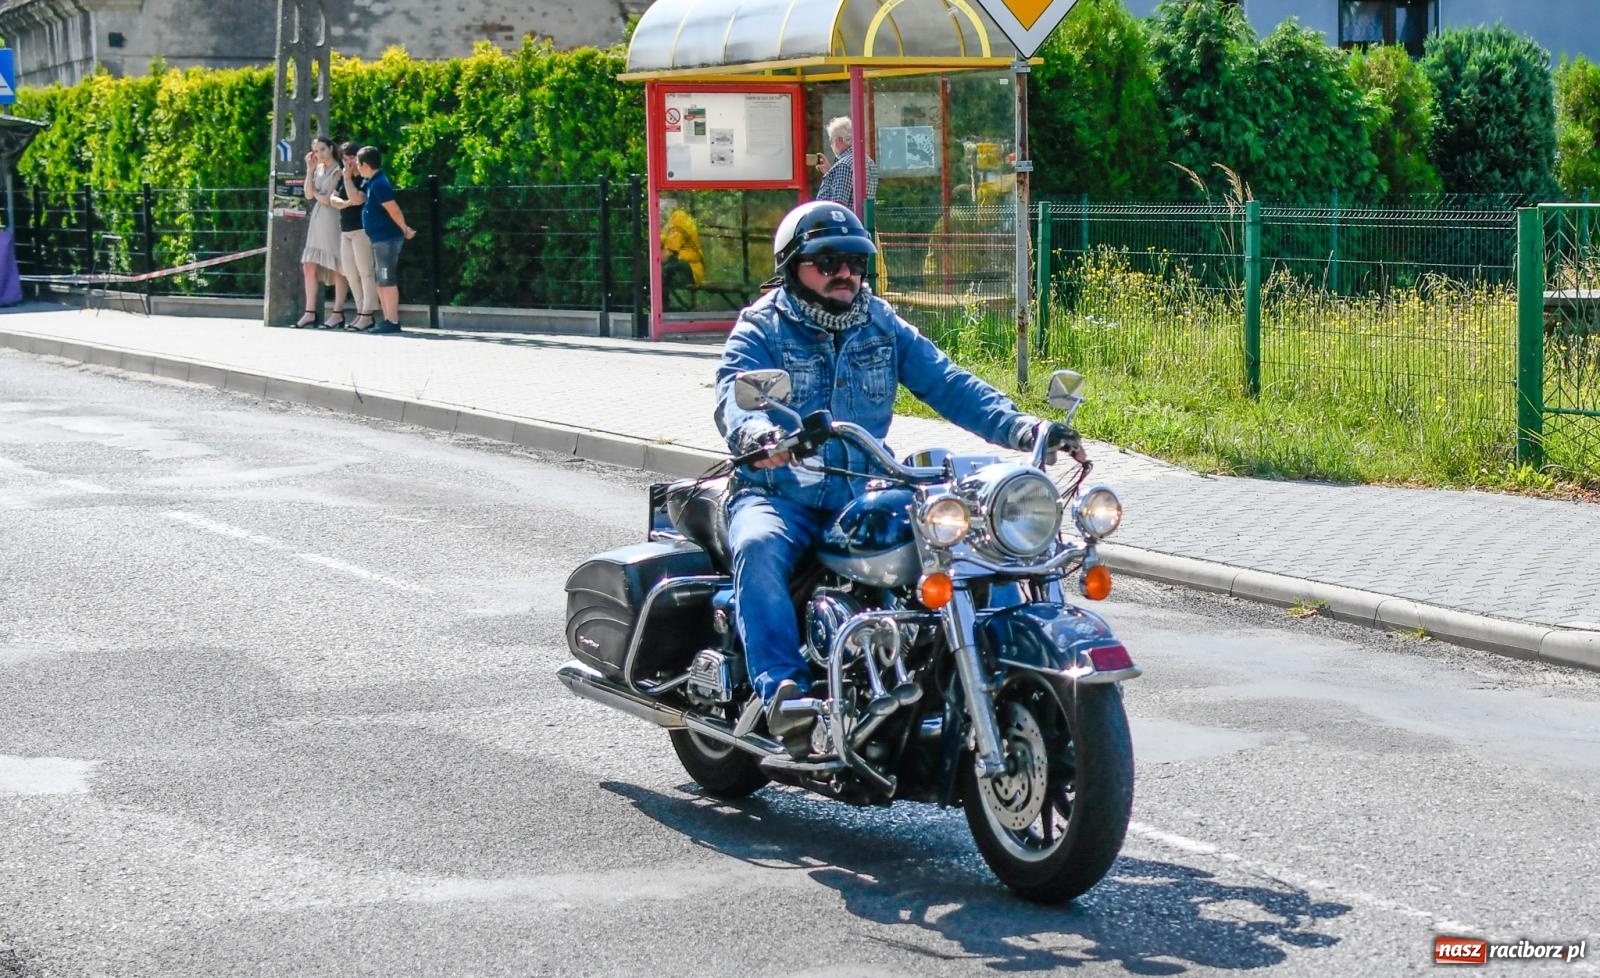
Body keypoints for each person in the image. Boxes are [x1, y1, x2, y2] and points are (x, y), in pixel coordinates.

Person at [714, 201, 1080, 755]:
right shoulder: (762, 326)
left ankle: (986, 664)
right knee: (760, 546)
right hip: (779, 492)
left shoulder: (880, 324)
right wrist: (757, 438)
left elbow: (949, 383)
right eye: (828, 261)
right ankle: (781, 692)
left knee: (956, 545)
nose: (846, 274)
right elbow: (733, 392)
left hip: (862, 490)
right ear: (792, 265)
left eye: (857, 262)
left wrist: (1024, 428)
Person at [355, 145, 417, 334]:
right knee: (381, 280)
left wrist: (404, 228)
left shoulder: (380, 184)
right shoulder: (372, 182)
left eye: (358, 163)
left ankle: (392, 320)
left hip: (386, 238)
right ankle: (387, 318)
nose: (356, 167)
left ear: (365, 164)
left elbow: (394, 209)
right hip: (378, 238)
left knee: (386, 278)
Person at [292, 137, 350, 328]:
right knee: (309, 265)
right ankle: (309, 312)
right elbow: (308, 194)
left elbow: (327, 199)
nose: (320, 154)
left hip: (332, 219)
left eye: (323, 149)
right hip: (317, 220)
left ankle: (337, 312)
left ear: (331, 148)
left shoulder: (338, 170)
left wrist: (317, 195)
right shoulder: (318, 168)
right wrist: (309, 170)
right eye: (316, 151)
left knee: (338, 265)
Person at [329, 141, 380, 331]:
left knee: (365, 272)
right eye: (344, 158)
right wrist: (342, 203)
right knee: (350, 273)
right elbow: (333, 198)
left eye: (351, 157)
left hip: (362, 229)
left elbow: (358, 198)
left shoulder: (364, 177)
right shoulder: (344, 176)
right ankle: (360, 310)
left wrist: (348, 180)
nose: (348, 162)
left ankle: (368, 313)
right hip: (346, 229)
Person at [815, 117, 879, 211]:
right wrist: (830, 172)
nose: (830, 145)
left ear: (840, 140)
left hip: (842, 224)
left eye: (831, 140)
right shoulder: (868, 161)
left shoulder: (844, 165)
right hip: (862, 221)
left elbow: (838, 206)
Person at [659, 197, 705, 307]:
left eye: (662, 206)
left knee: (665, 270)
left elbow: (668, 252)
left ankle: (664, 307)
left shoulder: (679, 219)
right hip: (681, 265)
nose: (660, 209)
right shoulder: (669, 221)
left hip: (691, 268)